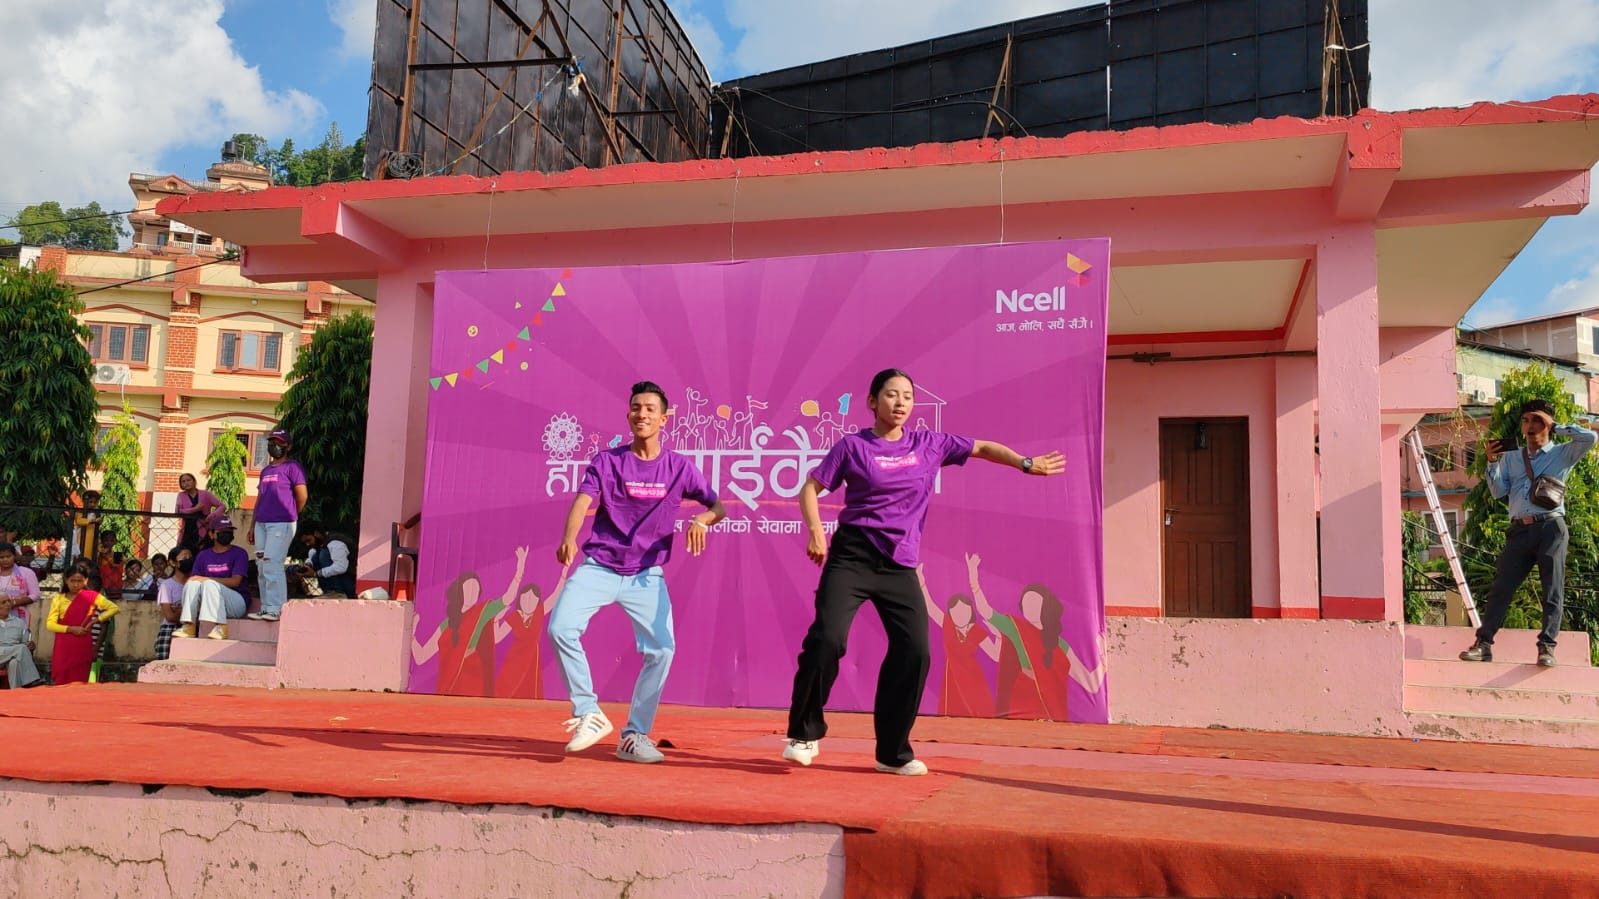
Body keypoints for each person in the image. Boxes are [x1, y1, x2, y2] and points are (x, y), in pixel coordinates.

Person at [783, 369, 1065, 775]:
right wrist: (816, 532)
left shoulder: (929, 444)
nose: (900, 403)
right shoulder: (853, 447)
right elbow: (810, 488)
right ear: (872, 402)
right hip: (853, 557)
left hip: (899, 564)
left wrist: (1025, 463)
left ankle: (891, 752)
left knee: (915, 651)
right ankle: (804, 733)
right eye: (891, 395)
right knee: (828, 639)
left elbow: (983, 447)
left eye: (907, 396)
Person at [548, 380, 726, 763]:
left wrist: (701, 521)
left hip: (646, 575)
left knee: (662, 650)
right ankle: (589, 712)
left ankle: (634, 735)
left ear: (664, 419)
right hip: (599, 566)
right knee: (560, 628)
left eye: (649, 409)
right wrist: (568, 538)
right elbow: (582, 502)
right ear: (628, 414)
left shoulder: (679, 467)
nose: (641, 414)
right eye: (635, 407)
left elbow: (718, 507)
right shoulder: (607, 461)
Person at [1461, 399, 1597, 668]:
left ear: (1547, 423)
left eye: (1536, 420)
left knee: (1552, 589)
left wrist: (1556, 426)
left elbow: (1591, 437)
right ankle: (1483, 645)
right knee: (1501, 588)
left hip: (1551, 527)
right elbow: (1498, 492)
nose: (1530, 426)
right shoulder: (1512, 457)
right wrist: (1492, 462)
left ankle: (1547, 647)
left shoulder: (1563, 453)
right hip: (1519, 530)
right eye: (1525, 420)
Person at [968, 555, 1102, 720]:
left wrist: (1102, 661)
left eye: (1035, 603)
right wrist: (974, 580)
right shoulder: (1015, 628)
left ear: (1045, 607)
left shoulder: (1060, 644)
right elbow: (985, 611)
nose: (1030, 607)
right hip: (1020, 704)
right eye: (1026, 603)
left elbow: (1090, 683)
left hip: (1050, 712)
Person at [411, 546, 528, 697]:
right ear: (460, 591)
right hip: (450, 685)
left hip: (473, 680)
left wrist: (519, 572)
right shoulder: (447, 624)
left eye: (475, 589)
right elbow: (421, 657)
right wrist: (412, 635)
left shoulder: (482, 612)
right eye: (468, 588)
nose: (471, 593)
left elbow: (507, 598)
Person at [917, 556, 999, 718]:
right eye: (956, 611)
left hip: (973, 679)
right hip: (953, 680)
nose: (960, 614)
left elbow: (995, 655)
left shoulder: (976, 631)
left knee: (978, 715)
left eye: (964, 610)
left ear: (971, 612)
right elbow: (931, 608)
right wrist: (922, 583)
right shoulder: (949, 626)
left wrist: (998, 636)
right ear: (951, 613)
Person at [249, 429, 307, 622]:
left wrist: (291, 514)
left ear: (288, 446)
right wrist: (252, 525)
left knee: (272, 563)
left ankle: (277, 608)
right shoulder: (265, 470)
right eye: (272, 442)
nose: (274, 446)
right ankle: (266, 607)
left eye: (279, 443)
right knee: (261, 565)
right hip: (262, 523)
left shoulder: (293, 467)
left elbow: (302, 496)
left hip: (281, 523)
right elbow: (260, 498)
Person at [493, 561, 573, 700]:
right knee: (506, 693)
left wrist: (563, 575)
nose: (528, 602)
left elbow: (554, 597)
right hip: (514, 661)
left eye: (533, 599)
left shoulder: (538, 613)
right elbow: (497, 637)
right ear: (520, 599)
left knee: (529, 695)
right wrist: (496, 620)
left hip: (530, 662)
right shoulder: (515, 616)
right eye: (525, 598)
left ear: (537, 601)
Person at [174, 516, 250, 640]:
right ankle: (189, 625)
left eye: (229, 531)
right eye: (222, 532)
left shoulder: (240, 553)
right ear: (211, 534)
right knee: (192, 583)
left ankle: (221, 627)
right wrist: (204, 581)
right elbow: (195, 580)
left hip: (235, 603)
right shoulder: (203, 556)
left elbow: (236, 582)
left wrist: (207, 580)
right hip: (209, 601)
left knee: (208, 584)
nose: (227, 534)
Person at [46, 568, 119, 684]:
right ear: (66, 580)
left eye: (79, 581)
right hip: (63, 644)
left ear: (85, 581)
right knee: (61, 680)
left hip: (82, 642)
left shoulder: (92, 596)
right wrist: (70, 629)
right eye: (72, 581)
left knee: (80, 680)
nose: (76, 584)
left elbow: (114, 608)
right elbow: (50, 624)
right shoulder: (58, 598)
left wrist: (95, 621)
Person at [295, 523, 355, 597]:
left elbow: (340, 567)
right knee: (317, 553)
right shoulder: (320, 546)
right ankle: (330, 592)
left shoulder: (335, 543)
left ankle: (336, 592)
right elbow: (312, 553)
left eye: (309, 540)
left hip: (348, 583)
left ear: (316, 533)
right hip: (339, 584)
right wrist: (309, 564)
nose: (308, 544)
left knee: (323, 553)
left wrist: (316, 574)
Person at [174, 473, 224, 555]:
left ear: (194, 481)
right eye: (183, 481)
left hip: (204, 530)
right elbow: (178, 511)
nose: (186, 483)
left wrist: (212, 515)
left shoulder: (205, 494)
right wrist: (194, 509)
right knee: (186, 555)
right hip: (187, 531)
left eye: (188, 480)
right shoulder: (181, 496)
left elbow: (222, 506)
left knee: (205, 553)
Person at [153, 557, 192, 660]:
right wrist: (187, 614)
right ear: (173, 563)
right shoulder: (167, 585)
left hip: (191, 629)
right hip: (170, 629)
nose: (188, 559)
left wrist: (178, 611)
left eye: (190, 557)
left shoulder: (194, 585)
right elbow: (170, 617)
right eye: (184, 557)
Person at [0, 595, 43, 688]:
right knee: (21, 649)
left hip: (14, 654)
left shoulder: (19, 622)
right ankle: (33, 680)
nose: (8, 604)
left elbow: (25, 643)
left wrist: (31, 646)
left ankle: (15, 692)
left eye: (9, 601)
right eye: (3, 602)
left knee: (14, 663)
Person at [0, 542, 42, 624]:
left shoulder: (26, 573)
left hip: (18, 617)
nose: (5, 559)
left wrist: (14, 602)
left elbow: (35, 595)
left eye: (8, 556)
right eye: (1, 557)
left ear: (15, 556)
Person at [71, 490, 101, 566]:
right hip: (80, 539)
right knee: (80, 557)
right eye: (90, 502)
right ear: (84, 501)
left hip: (92, 539)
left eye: (95, 502)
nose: (93, 504)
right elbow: (79, 521)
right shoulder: (80, 512)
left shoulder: (96, 514)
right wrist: (92, 521)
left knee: (91, 559)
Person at [95, 532, 125, 601]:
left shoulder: (118, 555)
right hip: (102, 585)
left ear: (115, 542)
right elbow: (99, 567)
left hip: (115, 587)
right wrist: (102, 555)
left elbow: (120, 569)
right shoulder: (99, 555)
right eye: (106, 540)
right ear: (102, 541)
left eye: (112, 540)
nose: (109, 543)